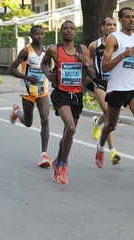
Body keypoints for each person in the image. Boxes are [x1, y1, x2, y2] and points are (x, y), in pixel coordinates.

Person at [94, 7, 134, 179]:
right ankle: (100, 147)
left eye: (133, 17)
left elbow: (133, 62)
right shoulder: (113, 38)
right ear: (120, 20)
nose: (132, 20)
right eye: (127, 17)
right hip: (117, 87)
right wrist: (124, 55)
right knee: (111, 125)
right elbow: (105, 66)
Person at [41, 21, 95, 185]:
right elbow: (44, 63)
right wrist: (47, 74)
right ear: (62, 31)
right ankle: (63, 166)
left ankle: (58, 161)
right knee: (70, 127)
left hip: (77, 96)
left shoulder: (83, 50)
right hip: (60, 94)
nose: (69, 31)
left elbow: (92, 73)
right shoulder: (54, 49)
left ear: (75, 32)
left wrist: (84, 62)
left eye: (72, 29)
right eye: (66, 29)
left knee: (68, 133)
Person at [8, 25, 51, 168]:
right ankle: (16, 112)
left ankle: (44, 154)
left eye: (42, 34)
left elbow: (49, 68)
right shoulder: (26, 50)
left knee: (45, 119)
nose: (40, 36)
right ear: (31, 35)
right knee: (28, 122)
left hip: (42, 91)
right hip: (28, 91)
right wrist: (27, 77)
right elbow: (11, 70)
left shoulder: (47, 51)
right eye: (37, 34)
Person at [86, 16, 120, 165]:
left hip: (115, 83)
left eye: (114, 25)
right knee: (109, 114)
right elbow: (88, 61)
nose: (112, 27)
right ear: (102, 27)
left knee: (109, 115)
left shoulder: (120, 44)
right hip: (99, 82)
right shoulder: (95, 45)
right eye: (108, 25)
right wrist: (90, 74)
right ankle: (111, 150)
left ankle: (97, 122)